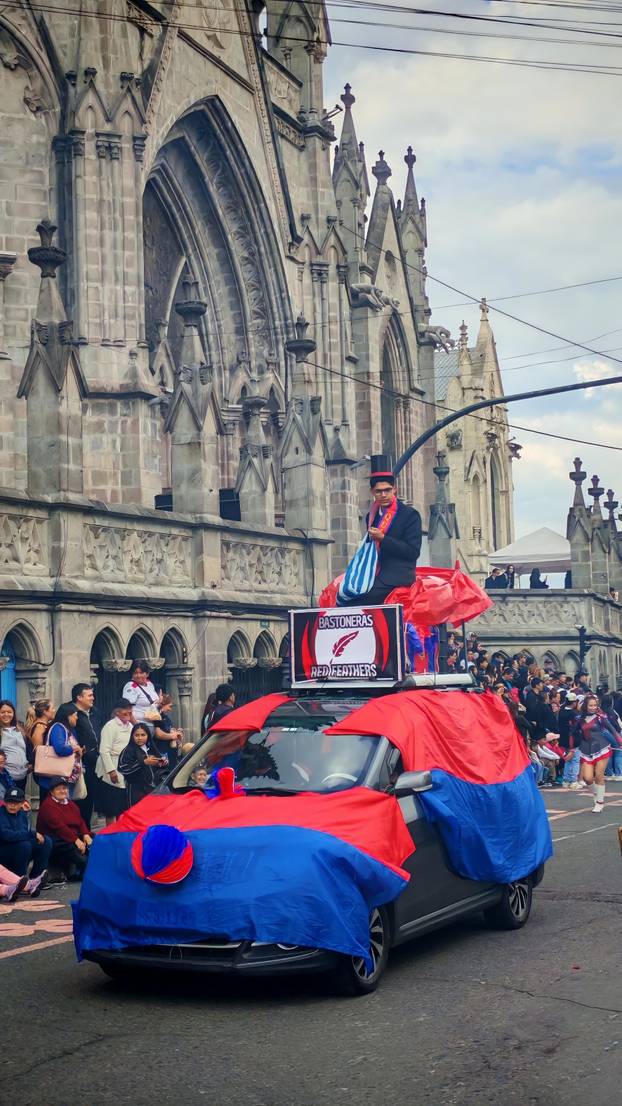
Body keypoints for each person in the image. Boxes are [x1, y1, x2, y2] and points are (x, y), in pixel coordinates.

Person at [337, 454, 422, 606]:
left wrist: (383, 539)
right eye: (379, 491)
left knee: (355, 601)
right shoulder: (371, 516)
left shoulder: (409, 515)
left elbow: (413, 552)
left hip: (397, 576)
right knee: (343, 593)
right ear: (372, 492)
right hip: (374, 573)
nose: (383, 495)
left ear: (394, 489)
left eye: (387, 490)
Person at [37, 778, 93, 880]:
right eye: (58, 789)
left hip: (71, 835)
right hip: (56, 838)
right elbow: (59, 827)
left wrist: (85, 834)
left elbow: (80, 821)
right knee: (78, 855)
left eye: (64, 788)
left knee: (94, 840)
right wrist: (76, 840)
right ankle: (81, 871)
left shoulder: (70, 803)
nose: (62, 791)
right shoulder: (48, 805)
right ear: (52, 792)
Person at [573, 694, 620, 813]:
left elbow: (613, 730)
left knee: (599, 775)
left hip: (602, 748)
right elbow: (572, 734)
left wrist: (620, 742)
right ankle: (597, 794)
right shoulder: (579, 719)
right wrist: (571, 748)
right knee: (588, 778)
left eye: (595, 705)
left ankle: (599, 802)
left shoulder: (600, 717)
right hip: (586, 750)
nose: (593, 707)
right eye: (591, 705)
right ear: (586, 706)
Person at [0, 786, 52, 880]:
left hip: (19, 848)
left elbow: (24, 832)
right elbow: (7, 835)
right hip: (5, 850)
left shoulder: (22, 814)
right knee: (24, 845)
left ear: (21, 803)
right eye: (10, 802)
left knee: (46, 841)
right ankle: (19, 880)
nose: (12, 805)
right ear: (5, 802)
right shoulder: (1, 814)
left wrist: (33, 834)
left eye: (16, 802)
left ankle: (37, 878)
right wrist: (32, 834)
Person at [95, 699, 132, 825]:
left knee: (122, 808)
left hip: (124, 769)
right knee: (111, 809)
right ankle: (110, 833)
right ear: (117, 712)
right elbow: (104, 750)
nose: (129, 711)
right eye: (125, 709)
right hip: (110, 769)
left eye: (130, 709)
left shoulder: (130, 726)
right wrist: (111, 771)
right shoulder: (110, 726)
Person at [38, 703, 84, 800]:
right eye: (75, 715)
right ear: (68, 716)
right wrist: (74, 748)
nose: (76, 718)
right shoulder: (58, 728)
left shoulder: (67, 729)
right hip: (57, 780)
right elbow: (60, 749)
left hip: (64, 778)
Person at [71, 683, 101, 829]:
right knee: (79, 798)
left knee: (90, 798)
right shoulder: (71, 713)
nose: (93, 698)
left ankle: (86, 830)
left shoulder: (95, 712)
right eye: (89, 695)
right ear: (79, 697)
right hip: (79, 763)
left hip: (95, 762)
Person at [118, 724, 165, 807]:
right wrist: (143, 762)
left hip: (151, 788)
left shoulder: (151, 748)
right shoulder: (129, 750)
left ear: (148, 735)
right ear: (132, 736)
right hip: (135, 789)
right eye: (137, 735)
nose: (140, 738)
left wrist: (162, 763)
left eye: (143, 735)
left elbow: (158, 762)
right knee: (136, 811)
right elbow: (123, 768)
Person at [122, 661, 162, 729]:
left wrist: (159, 701)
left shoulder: (149, 684)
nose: (138, 676)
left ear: (147, 674)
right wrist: (138, 727)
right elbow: (127, 709)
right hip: (140, 726)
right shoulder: (131, 686)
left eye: (141, 673)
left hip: (153, 724)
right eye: (135, 673)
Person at [0, 700, 29, 791]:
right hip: (5, 777)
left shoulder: (20, 729)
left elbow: (27, 748)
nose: (6, 714)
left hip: (22, 776)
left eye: (9, 712)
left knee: (20, 798)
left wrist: (29, 764)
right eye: (2, 712)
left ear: (13, 713)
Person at [152, 693, 183, 768]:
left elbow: (168, 730)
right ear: (163, 704)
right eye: (169, 706)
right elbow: (158, 734)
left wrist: (177, 732)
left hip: (170, 753)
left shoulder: (166, 717)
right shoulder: (157, 716)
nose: (170, 709)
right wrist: (172, 736)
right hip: (162, 752)